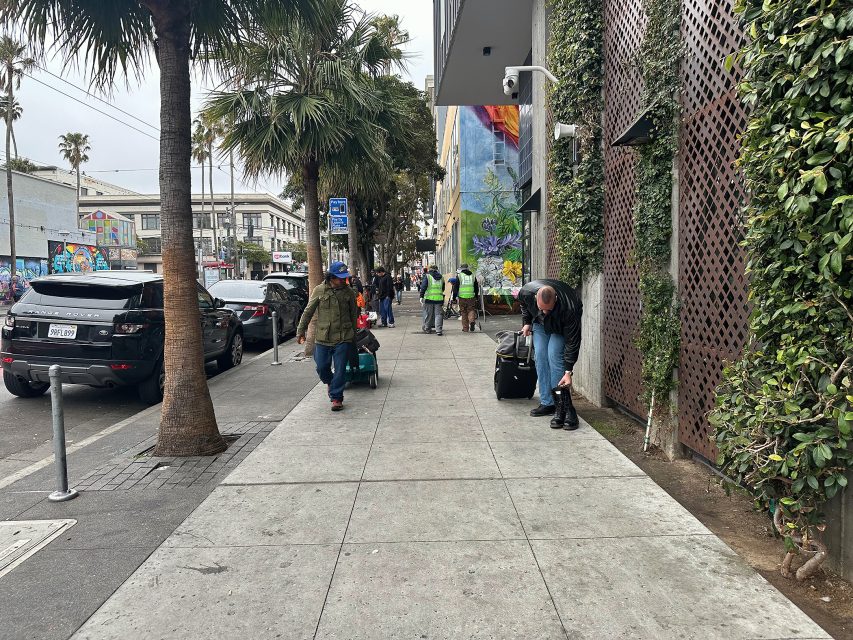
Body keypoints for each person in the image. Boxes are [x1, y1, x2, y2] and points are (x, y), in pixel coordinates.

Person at [518, 279, 582, 429]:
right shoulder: (527, 293)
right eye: (542, 309)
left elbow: (573, 341)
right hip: (539, 324)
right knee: (540, 355)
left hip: (560, 324)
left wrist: (568, 371)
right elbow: (524, 305)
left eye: (548, 309)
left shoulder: (570, 307)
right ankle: (547, 403)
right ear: (535, 299)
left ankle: (563, 408)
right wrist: (527, 322)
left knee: (554, 355)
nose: (545, 312)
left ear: (556, 300)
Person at [297, 261, 358, 412]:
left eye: (345, 278)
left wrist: (353, 335)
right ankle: (330, 382)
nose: (343, 281)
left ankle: (337, 397)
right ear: (331, 277)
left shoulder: (349, 292)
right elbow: (308, 311)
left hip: (343, 336)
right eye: (340, 278)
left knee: (340, 369)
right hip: (323, 337)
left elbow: (353, 314)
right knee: (322, 367)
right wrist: (300, 331)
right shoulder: (319, 290)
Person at [452, 263, 480, 333]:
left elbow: (456, 288)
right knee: (471, 310)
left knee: (464, 312)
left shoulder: (459, 276)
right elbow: (476, 287)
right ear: (467, 268)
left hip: (462, 297)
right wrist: (476, 296)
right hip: (471, 296)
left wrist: (454, 298)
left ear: (461, 269)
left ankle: (465, 328)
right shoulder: (473, 276)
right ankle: (472, 321)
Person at [419, 264, 445, 335]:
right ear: (437, 269)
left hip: (429, 299)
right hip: (439, 299)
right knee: (438, 314)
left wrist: (421, 296)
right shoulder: (441, 277)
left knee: (428, 314)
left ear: (429, 269)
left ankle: (427, 328)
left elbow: (423, 287)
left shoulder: (427, 276)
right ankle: (439, 330)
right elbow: (443, 288)